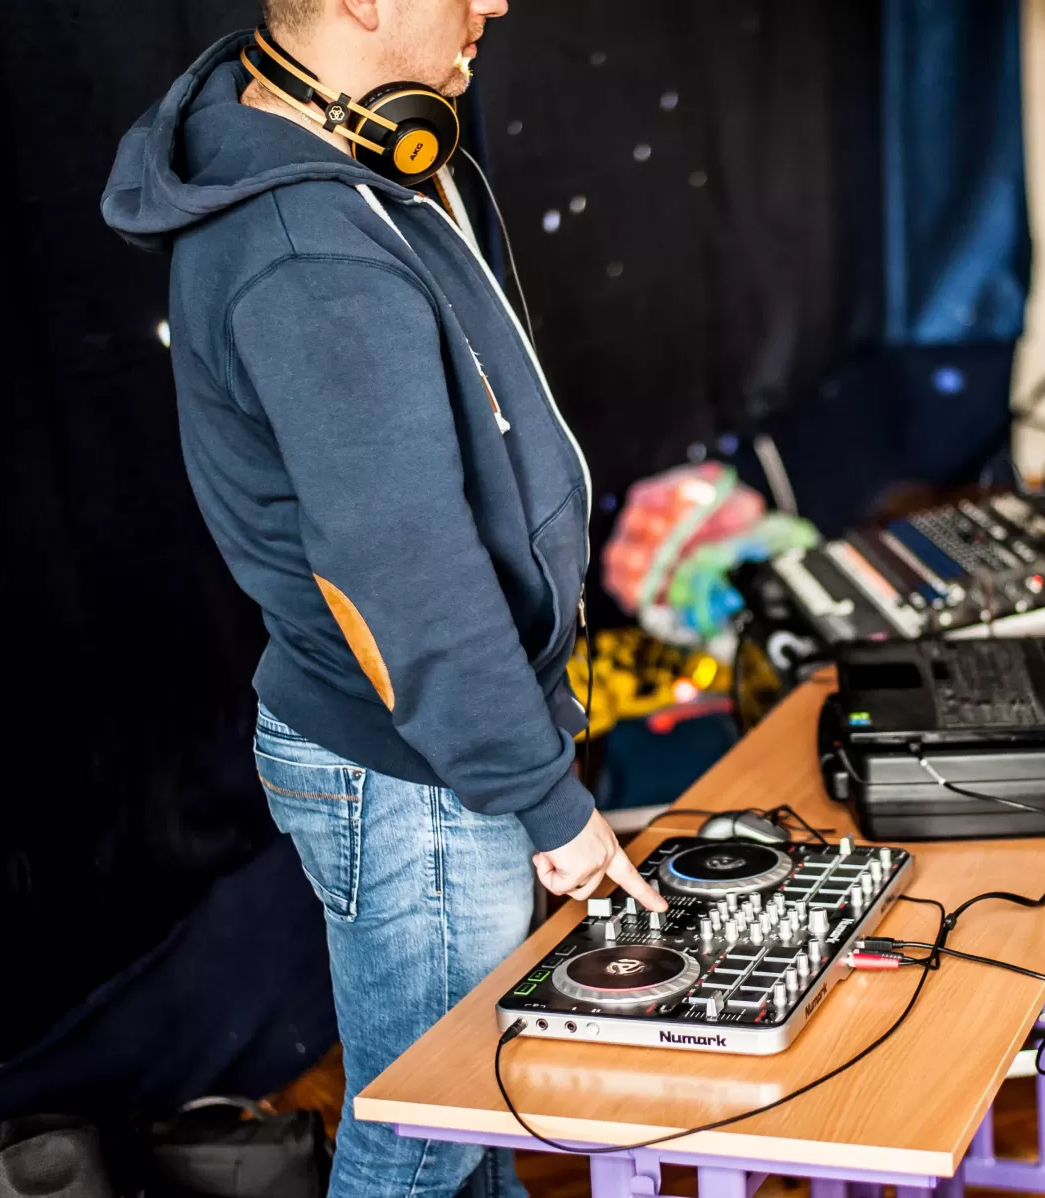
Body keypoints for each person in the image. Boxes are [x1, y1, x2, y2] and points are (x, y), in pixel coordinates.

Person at [101, 2, 666, 1195]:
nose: (494, 3)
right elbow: (407, 580)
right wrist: (548, 804)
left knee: (469, 1125)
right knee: (420, 1138)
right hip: (416, 776)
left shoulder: (349, 162)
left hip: (432, 751)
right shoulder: (308, 251)